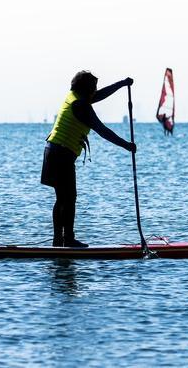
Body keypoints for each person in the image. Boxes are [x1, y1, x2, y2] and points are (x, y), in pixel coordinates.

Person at [41, 71, 136, 247]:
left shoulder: (75, 96)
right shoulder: (80, 106)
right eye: (93, 88)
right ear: (86, 89)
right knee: (68, 198)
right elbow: (102, 130)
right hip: (60, 155)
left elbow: (98, 96)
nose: (95, 92)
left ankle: (58, 241)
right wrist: (126, 145)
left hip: (53, 151)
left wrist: (121, 84)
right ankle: (66, 239)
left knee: (62, 198)